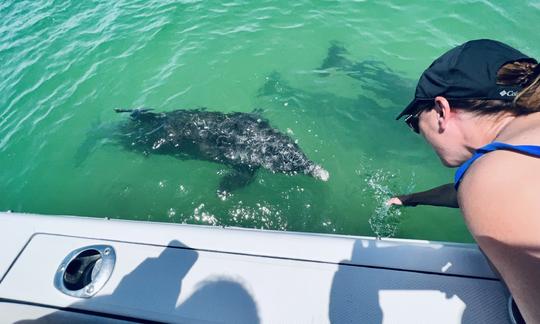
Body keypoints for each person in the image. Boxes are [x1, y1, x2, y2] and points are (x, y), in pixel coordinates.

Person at [392, 39, 540, 323]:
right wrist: (412, 199)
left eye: (413, 122)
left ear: (441, 110)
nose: (418, 133)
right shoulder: (516, 158)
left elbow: (498, 189)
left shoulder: (492, 181)